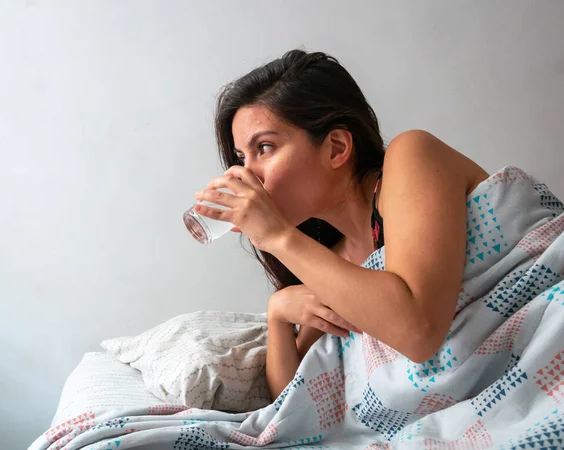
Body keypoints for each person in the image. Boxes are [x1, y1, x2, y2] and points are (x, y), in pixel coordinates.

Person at [193, 49, 490, 400]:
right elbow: (294, 404)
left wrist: (275, 236)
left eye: (266, 147)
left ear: (336, 148)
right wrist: (278, 316)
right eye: (242, 157)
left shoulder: (412, 155)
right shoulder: (331, 260)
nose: (246, 175)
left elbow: (419, 332)